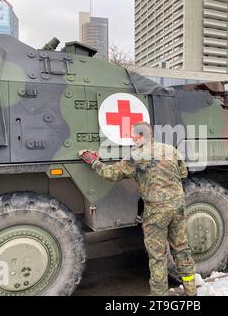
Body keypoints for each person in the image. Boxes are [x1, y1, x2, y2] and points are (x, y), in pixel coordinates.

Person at [79, 121, 197, 296]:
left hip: (156, 210)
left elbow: (110, 174)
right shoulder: (170, 150)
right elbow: (183, 173)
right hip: (178, 206)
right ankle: (191, 290)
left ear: (141, 136)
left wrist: (94, 161)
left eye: (133, 135)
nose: (132, 139)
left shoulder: (135, 156)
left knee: (157, 256)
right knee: (181, 249)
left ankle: (159, 296)